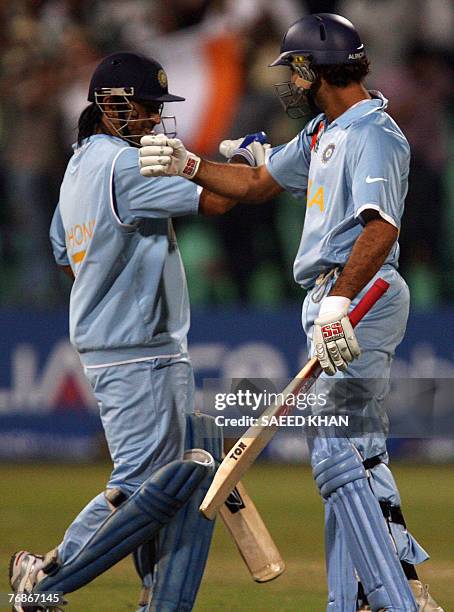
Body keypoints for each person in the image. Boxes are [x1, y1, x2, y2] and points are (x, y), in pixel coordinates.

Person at [138, 14, 444, 612]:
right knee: (357, 452)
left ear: (312, 71)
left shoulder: (374, 133)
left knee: (339, 450)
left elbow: (381, 227)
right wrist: (188, 163)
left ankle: (395, 597)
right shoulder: (322, 132)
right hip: (336, 297)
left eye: (292, 71)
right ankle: (358, 596)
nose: (287, 83)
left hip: (363, 293)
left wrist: (338, 302)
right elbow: (255, 184)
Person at [8, 51, 259, 612]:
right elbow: (218, 198)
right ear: (110, 105)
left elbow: (61, 250)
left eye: (156, 109)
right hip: (137, 350)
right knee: (146, 485)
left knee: (160, 481)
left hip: (121, 344)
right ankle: (44, 576)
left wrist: (108, 279)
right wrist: (247, 162)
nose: (153, 120)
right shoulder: (123, 166)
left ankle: (151, 595)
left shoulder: (80, 163)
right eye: (145, 108)